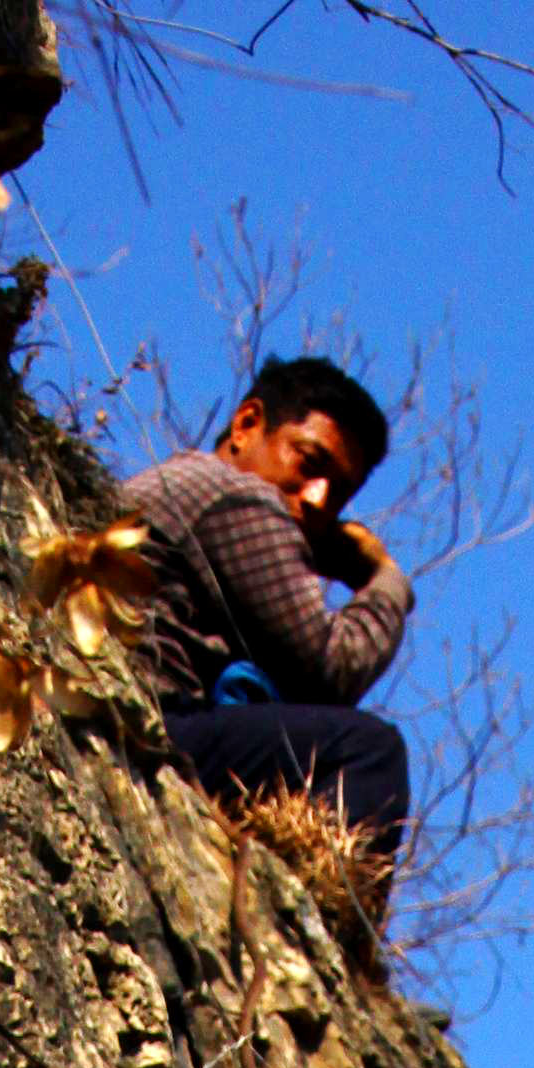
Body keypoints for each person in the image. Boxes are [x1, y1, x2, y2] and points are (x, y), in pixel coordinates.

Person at [124, 353, 415, 856]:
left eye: (340, 493)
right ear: (247, 424)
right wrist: (386, 582)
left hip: (139, 710)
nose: (320, 499)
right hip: (155, 719)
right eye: (309, 462)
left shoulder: (186, 484)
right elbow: (330, 668)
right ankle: (323, 909)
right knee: (370, 753)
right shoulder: (237, 496)